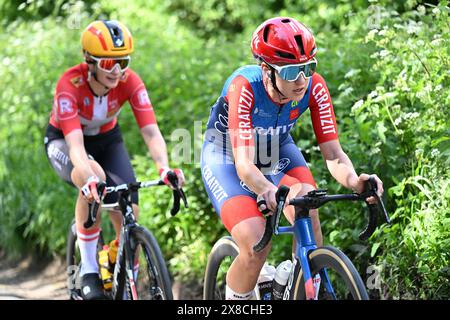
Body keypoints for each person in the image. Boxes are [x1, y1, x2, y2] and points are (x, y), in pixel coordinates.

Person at [200, 16, 384, 300]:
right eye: (290, 72)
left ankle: (298, 285)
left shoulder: (314, 86)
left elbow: (334, 154)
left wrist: (354, 180)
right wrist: (266, 189)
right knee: (255, 245)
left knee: (308, 204)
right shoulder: (244, 86)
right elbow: (245, 164)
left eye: (308, 68)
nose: (302, 80)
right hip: (227, 153)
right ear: (266, 70)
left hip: (276, 147)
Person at [44, 20, 185, 300]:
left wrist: (165, 168)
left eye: (123, 62)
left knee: (128, 206)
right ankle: (88, 269)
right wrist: (90, 180)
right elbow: (75, 146)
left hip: (108, 140)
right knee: (92, 177)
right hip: (66, 141)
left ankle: (122, 268)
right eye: (109, 64)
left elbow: (150, 130)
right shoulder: (69, 85)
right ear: (90, 61)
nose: (118, 71)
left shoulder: (129, 81)